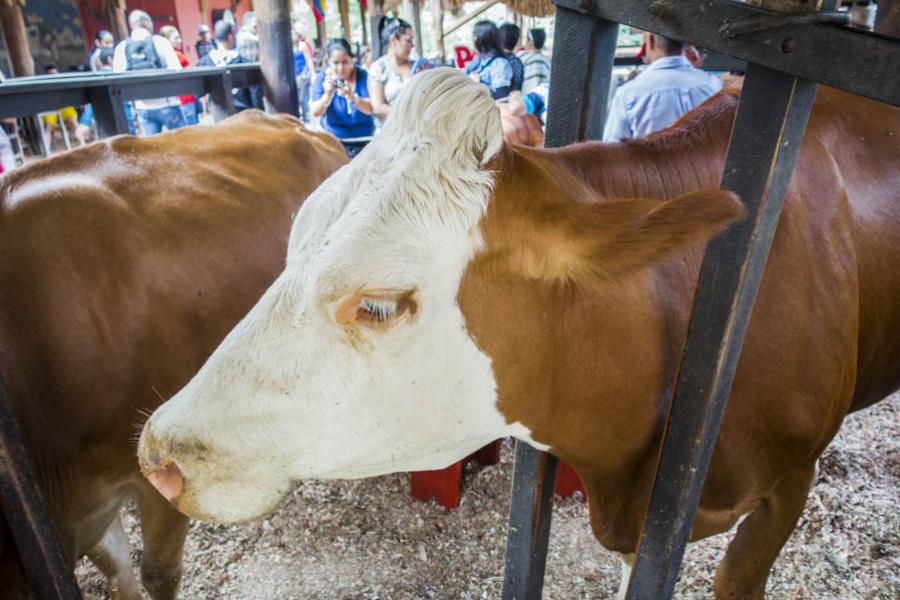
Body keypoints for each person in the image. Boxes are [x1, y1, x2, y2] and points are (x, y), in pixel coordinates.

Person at [602, 32, 722, 142]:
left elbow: (612, 150)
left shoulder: (628, 94)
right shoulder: (714, 85)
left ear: (651, 39)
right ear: (686, 46)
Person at [113, 10, 185, 135]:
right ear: (146, 23)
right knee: (181, 145)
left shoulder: (122, 47)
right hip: (168, 103)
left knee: (152, 149)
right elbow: (176, 69)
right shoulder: (160, 41)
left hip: (142, 107)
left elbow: (117, 77)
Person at [311, 38, 375, 158]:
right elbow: (316, 112)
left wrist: (352, 98)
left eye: (345, 62)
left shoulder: (364, 76)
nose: (340, 68)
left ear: (352, 60)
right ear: (328, 63)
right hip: (335, 145)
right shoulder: (322, 78)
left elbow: (372, 108)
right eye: (335, 63)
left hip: (366, 142)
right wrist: (327, 95)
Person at [368, 17, 418, 127]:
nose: (412, 45)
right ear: (393, 40)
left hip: (417, 127)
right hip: (391, 131)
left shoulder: (415, 65)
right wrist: (406, 114)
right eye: (408, 40)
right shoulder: (378, 68)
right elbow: (378, 107)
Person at [160, 25, 199, 125]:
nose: (180, 40)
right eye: (176, 38)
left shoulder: (172, 54)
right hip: (184, 98)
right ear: (167, 40)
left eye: (179, 37)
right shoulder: (175, 55)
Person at [464, 21, 513, 100]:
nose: (471, 40)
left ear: (479, 38)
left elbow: (502, 95)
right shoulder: (478, 60)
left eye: (473, 36)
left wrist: (479, 83)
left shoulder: (500, 64)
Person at [230, 37, 265, 111]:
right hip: (247, 112)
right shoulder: (251, 68)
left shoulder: (232, 63)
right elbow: (256, 95)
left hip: (231, 110)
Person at [293, 26, 316, 123]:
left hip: (303, 74)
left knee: (303, 98)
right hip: (294, 75)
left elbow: (309, 61)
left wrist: (313, 74)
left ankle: (307, 119)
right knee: (295, 99)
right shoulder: (288, 46)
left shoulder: (302, 46)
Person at [518, 28, 550, 93]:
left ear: (530, 43)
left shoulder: (521, 57)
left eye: (526, 40)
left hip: (522, 100)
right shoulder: (546, 61)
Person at [498, 22, 524, 95]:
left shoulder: (491, 59)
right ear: (516, 41)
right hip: (507, 103)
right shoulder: (516, 62)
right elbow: (517, 90)